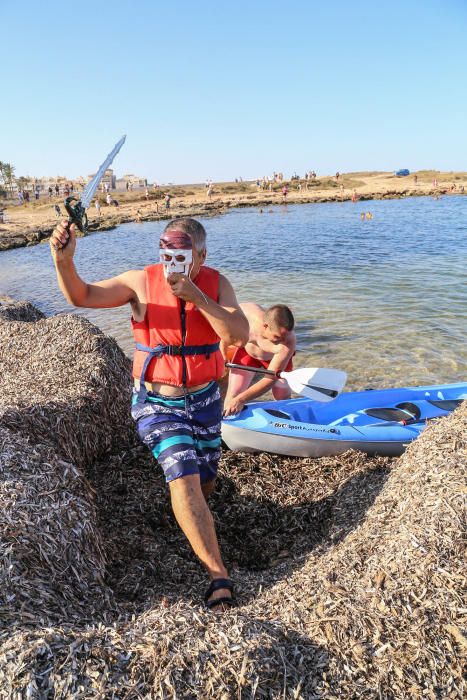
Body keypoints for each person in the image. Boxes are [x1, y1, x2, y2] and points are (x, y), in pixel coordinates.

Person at [49, 216, 249, 612]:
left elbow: (237, 335)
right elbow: (82, 296)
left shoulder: (216, 283)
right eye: (166, 253)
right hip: (158, 402)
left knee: (205, 478)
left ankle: (191, 514)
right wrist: (63, 261)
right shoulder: (140, 281)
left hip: (206, 398)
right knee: (184, 477)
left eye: (183, 255)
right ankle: (218, 576)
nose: (173, 262)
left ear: (201, 255)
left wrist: (196, 297)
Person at [223, 303, 296, 416]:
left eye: (285, 336)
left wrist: (241, 400)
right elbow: (225, 332)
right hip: (248, 354)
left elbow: (269, 380)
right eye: (277, 337)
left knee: (282, 397)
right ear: (265, 326)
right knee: (234, 394)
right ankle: (225, 425)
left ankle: (286, 423)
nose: (282, 341)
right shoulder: (248, 319)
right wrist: (222, 356)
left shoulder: (288, 341)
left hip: (274, 361)